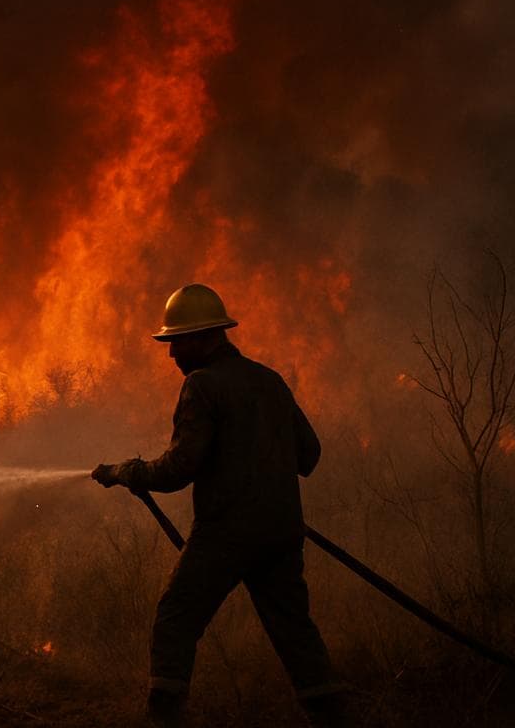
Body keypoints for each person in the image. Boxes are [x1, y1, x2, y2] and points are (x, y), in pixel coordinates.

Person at [92, 284, 344, 726]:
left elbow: (178, 469)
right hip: (282, 532)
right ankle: (335, 716)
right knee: (295, 631)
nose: (172, 355)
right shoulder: (270, 381)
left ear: (207, 337)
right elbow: (310, 457)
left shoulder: (202, 386)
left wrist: (126, 472)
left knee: (176, 617)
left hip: (226, 534)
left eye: (178, 342)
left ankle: (164, 718)